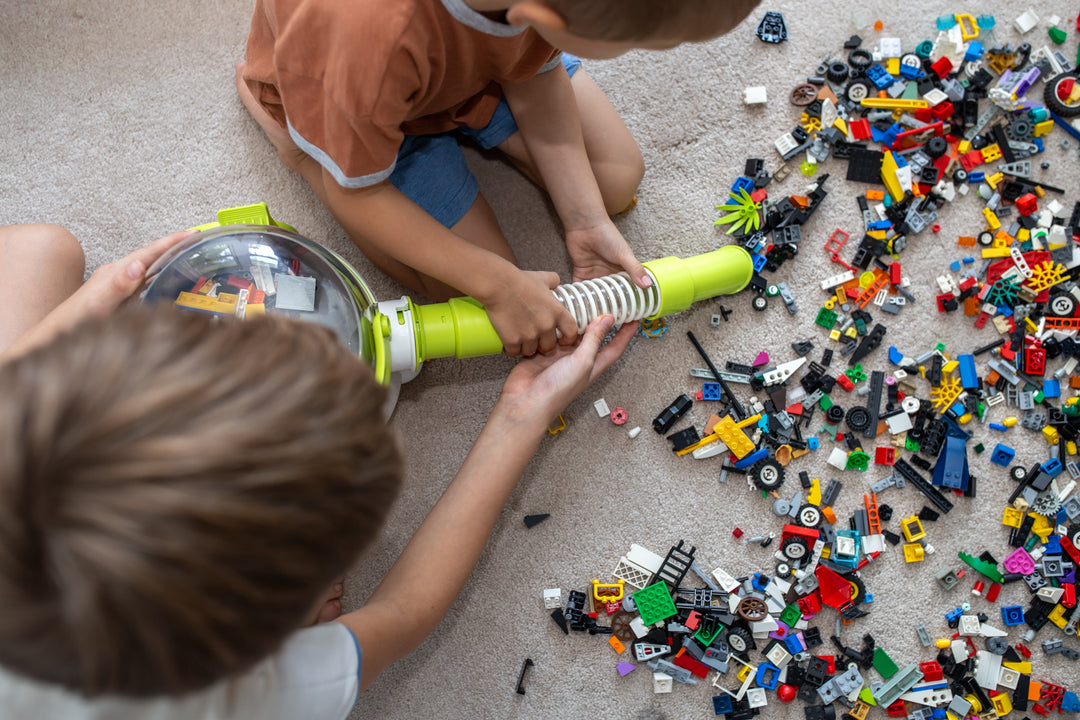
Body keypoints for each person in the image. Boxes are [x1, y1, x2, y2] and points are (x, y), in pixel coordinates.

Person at [0, 223, 635, 719]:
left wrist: (110, 289)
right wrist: (522, 412)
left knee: (43, 251)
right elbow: (403, 614)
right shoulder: (263, 697)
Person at [237, 0, 760, 357]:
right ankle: (304, 153)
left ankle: (471, 119)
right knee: (462, 289)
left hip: (474, 76)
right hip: (353, 113)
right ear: (538, 12)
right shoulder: (368, 39)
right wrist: (493, 282)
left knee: (616, 180)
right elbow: (363, 194)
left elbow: (534, 69)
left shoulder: (531, 16)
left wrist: (584, 220)